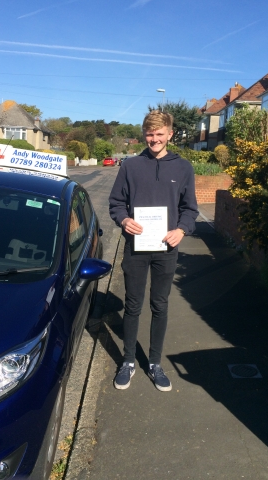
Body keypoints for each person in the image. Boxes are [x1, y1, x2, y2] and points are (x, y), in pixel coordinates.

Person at [109, 110, 198, 391]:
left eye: (160, 134)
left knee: (159, 305)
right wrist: (124, 220)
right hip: (136, 248)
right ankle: (128, 361)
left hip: (166, 248)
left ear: (170, 134)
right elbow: (116, 203)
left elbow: (190, 209)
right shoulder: (131, 166)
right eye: (150, 134)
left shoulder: (183, 168)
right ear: (144, 134)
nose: (154, 139)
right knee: (132, 305)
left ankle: (155, 364)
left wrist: (181, 230)